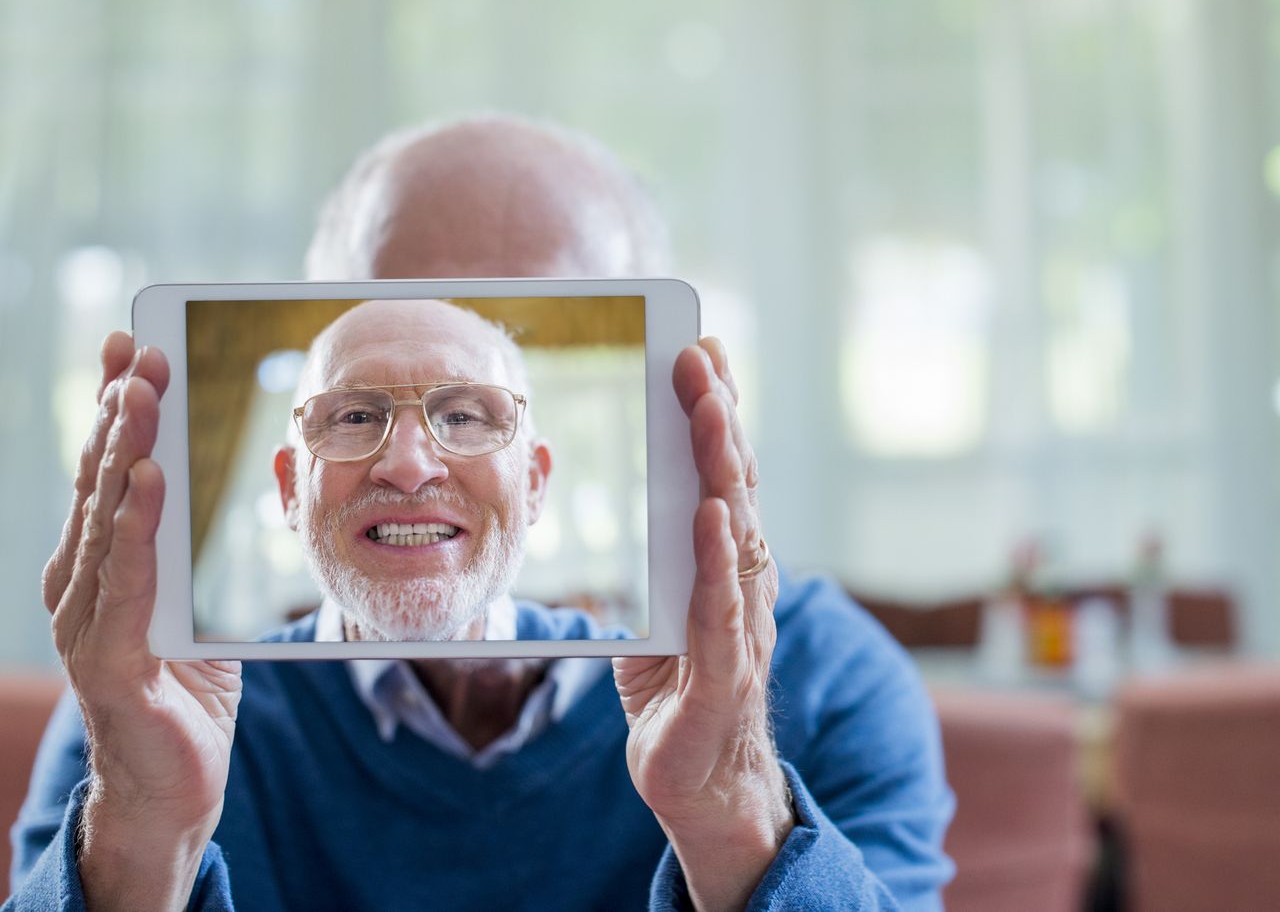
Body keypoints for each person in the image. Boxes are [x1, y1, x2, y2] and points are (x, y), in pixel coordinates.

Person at [9, 116, 954, 911]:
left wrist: (735, 808)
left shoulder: (825, 673)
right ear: (292, 480)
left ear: (540, 473)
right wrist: (138, 840)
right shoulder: (149, 704)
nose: (413, 461)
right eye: (361, 407)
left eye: (471, 409)